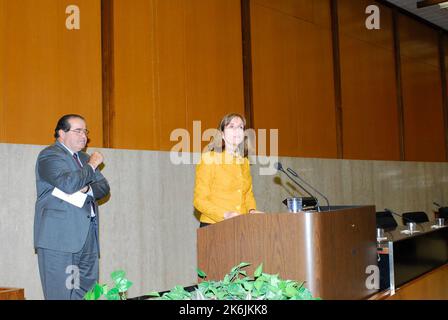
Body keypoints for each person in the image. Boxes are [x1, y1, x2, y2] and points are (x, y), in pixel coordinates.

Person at [34, 114, 110, 300]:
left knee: (88, 292)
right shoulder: (49, 155)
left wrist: (86, 188)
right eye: (78, 130)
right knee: (61, 293)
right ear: (61, 133)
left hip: (88, 237)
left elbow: (103, 187)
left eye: (85, 131)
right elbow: (67, 183)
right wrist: (92, 165)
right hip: (59, 238)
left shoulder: (84, 158)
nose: (84, 135)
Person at [193, 113, 261, 227]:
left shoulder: (244, 162)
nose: (237, 130)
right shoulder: (209, 158)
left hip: (242, 225)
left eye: (240, 127)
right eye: (231, 126)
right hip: (214, 226)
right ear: (222, 134)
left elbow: (247, 194)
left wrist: (252, 211)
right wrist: (225, 214)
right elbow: (199, 201)